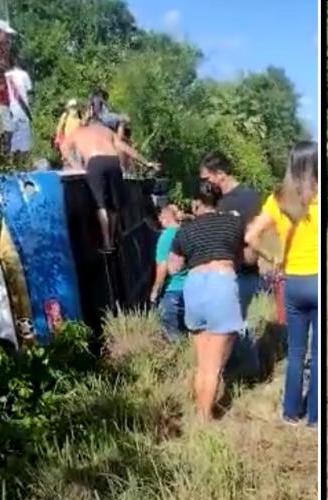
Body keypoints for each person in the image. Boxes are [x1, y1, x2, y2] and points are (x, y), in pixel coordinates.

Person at [245, 141, 319, 427]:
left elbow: (251, 237)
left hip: (293, 283)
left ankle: (290, 412)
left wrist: (273, 256)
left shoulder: (279, 199)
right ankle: (314, 417)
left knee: (297, 351)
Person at [168, 183, 248, 421]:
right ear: (218, 201)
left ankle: (199, 412)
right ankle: (204, 420)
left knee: (202, 363)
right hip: (221, 282)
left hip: (194, 286)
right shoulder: (233, 223)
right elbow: (245, 256)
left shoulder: (185, 230)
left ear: (196, 203)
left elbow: (173, 267)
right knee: (214, 365)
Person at [199, 151, 263, 372]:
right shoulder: (220, 202)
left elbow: (257, 237)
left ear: (220, 174)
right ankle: (240, 369)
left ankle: (252, 370)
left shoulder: (247, 198)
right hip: (224, 274)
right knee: (230, 323)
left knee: (237, 323)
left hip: (243, 272)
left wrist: (244, 255)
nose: (206, 184)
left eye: (207, 179)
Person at [60, 115, 159, 253]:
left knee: (100, 204)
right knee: (113, 205)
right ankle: (113, 239)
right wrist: (145, 162)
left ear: (86, 123)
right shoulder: (107, 131)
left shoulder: (79, 132)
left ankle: (106, 243)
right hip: (113, 161)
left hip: (95, 162)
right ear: (100, 123)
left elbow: (64, 147)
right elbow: (124, 147)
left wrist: (76, 166)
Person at [150, 204, 188, 342]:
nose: (159, 220)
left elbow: (162, 267)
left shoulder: (165, 238)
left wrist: (155, 291)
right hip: (192, 290)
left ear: (165, 217)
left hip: (173, 291)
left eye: (160, 217)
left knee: (174, 339)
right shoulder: (186, 232)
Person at [0, 20, 16, 165]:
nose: (8, 39)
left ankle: (2, 164)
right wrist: (3, 68)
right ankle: (1, 164)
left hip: (2, 100)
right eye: (6, 35)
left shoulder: (0, 52)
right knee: (3, 133)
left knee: (6, 132)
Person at [4, 51, 31, 168]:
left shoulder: (7, 75)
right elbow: (29, 92)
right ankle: (23, 168)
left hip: (10, 110)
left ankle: (13, 167)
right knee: (24, 142)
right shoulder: (24, 75)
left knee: (13, 141)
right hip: (22, 111)